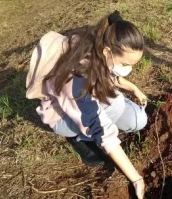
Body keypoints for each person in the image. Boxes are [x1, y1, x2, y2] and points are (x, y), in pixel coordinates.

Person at [26, 11, 147, 199]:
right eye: (125, 64)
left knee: (139, 119)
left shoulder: (104, 46)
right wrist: (136, 178)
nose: (128, 69)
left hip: (91, 100)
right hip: (63, 115)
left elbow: (110, 75)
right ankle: (80, 138)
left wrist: (134, 88)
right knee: (113, 105)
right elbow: (101, 127)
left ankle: (95, 125)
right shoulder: (77, 78)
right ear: (107, 52)